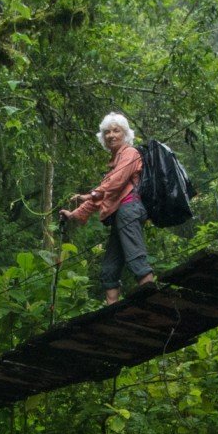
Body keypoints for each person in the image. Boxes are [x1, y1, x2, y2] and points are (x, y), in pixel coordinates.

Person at [59, 111, 155, 304]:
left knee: (136, 261)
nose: (111, 135)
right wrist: (73, 215)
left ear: (125, 134)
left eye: (116, 131)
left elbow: (116, 183)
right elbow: (104, 196)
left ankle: (153, 305)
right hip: (119, 216)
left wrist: (90, 194)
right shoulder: (114, 164)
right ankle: (113, 315)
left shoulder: (130, 153)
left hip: (129, 210)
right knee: (109, 271)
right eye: (107, 132)